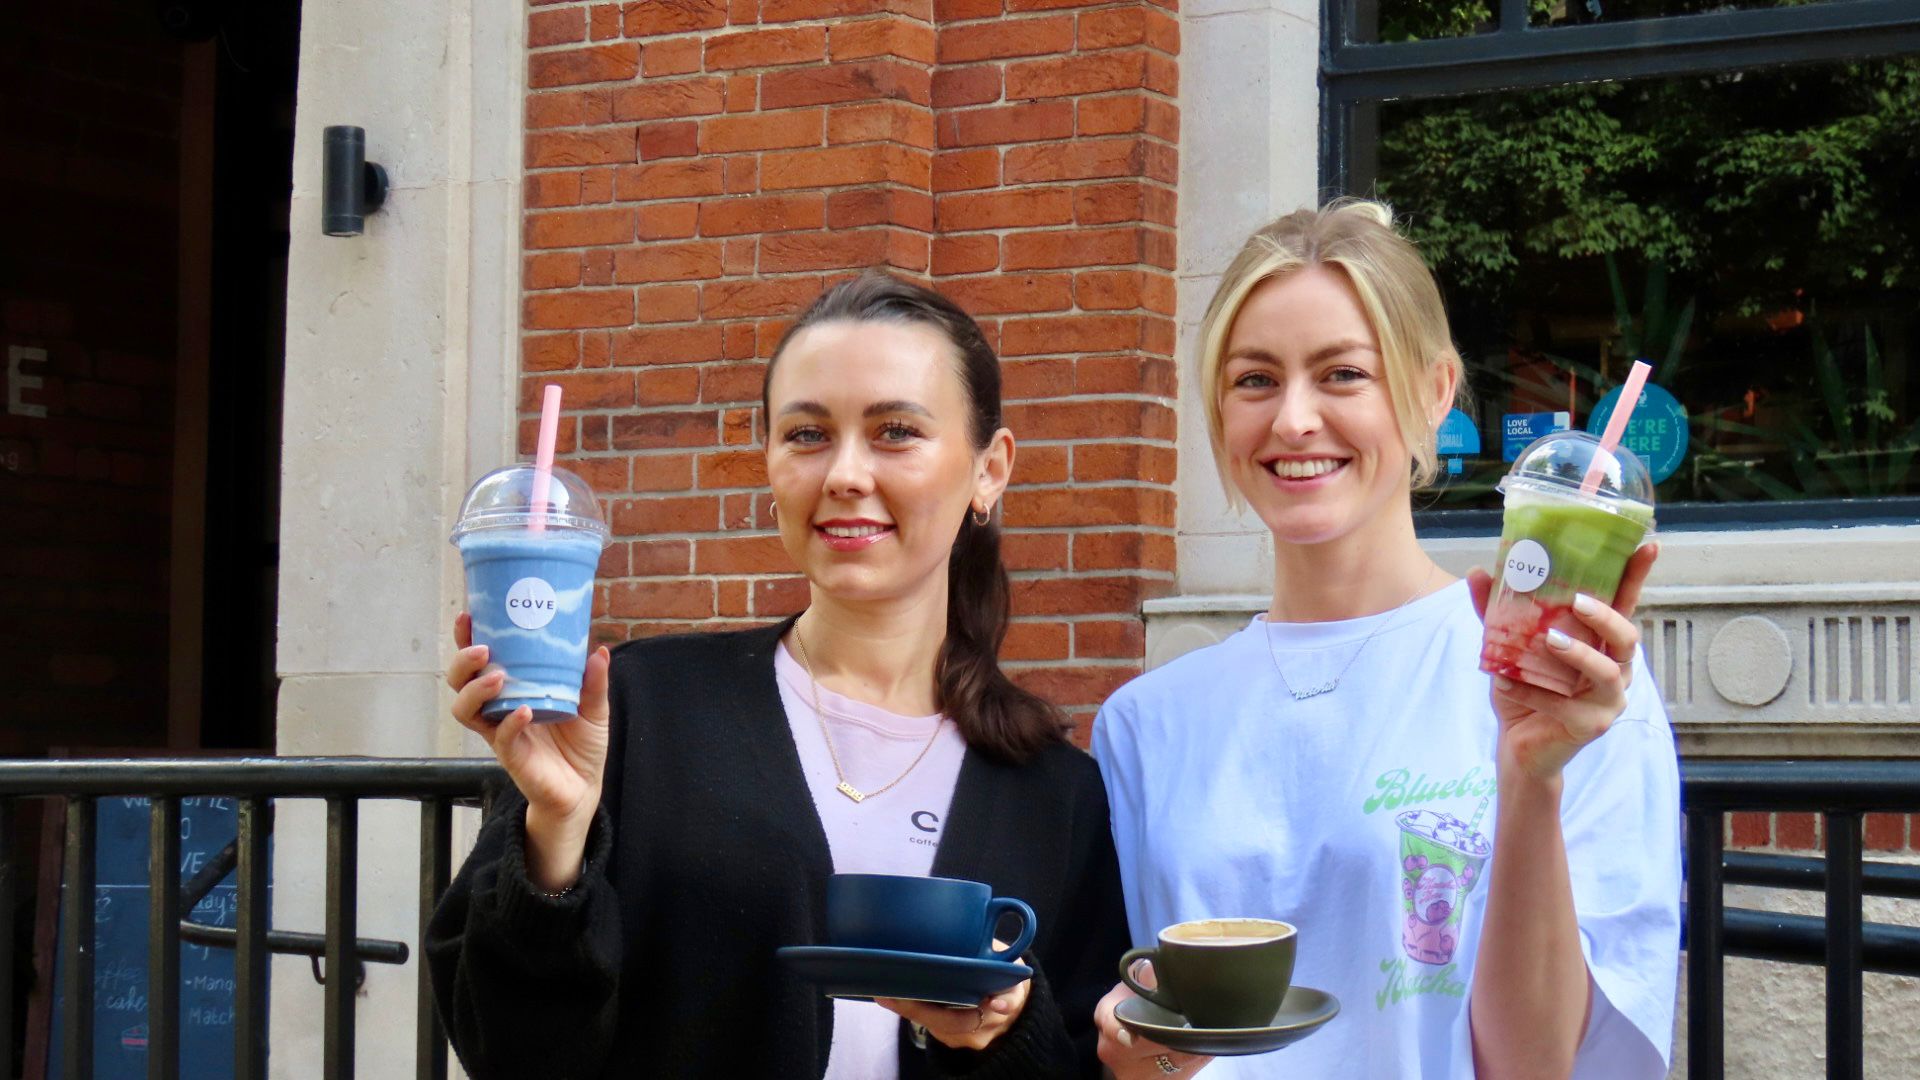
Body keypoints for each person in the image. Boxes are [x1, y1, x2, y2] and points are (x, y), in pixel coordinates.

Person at [427, 271, 1131, 1079]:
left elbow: (1084, 1063)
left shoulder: (1054, 796)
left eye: (896, 431)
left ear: (989, 469)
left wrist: (1007, 1030)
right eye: (806, 435)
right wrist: (552, 837)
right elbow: (509, 1051)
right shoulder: (632, 711)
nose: (844, 474)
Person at [1089, 201, 1681, 1079]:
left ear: (1433, 392)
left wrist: (1529, 780)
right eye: (1255, 380)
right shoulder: (1145, 725)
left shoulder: (1574, 695)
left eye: (1341, 375)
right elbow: (1141, 1036)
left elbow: (1536, 1067)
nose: (1293, 420)